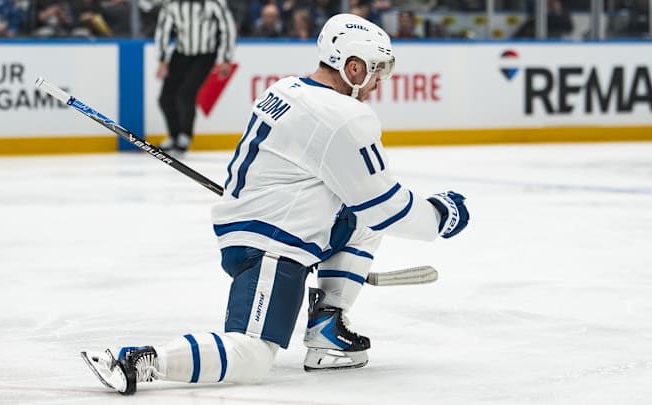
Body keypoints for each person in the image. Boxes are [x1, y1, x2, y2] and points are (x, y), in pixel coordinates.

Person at [82, 13, 470, 395]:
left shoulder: (286, 88)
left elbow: (368, 205)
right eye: (375, 71)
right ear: (353, 68)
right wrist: (440, 215)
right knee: (251, 356)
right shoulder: (343, 115)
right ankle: (138, 359)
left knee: (360, 216)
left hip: (262, 223)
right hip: (271, 242)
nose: (378, 83)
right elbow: (389, 209)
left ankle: (326, 327)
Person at [155, 0, 236, 155]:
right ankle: (174, 135)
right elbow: (162, 30)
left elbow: (227, 28)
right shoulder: (171, 4)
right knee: (165, 98)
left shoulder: (214, 3)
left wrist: (226, 58)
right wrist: (162, 59)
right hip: (181, 54)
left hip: (205, 55)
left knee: (185, 94)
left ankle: (185, 135)